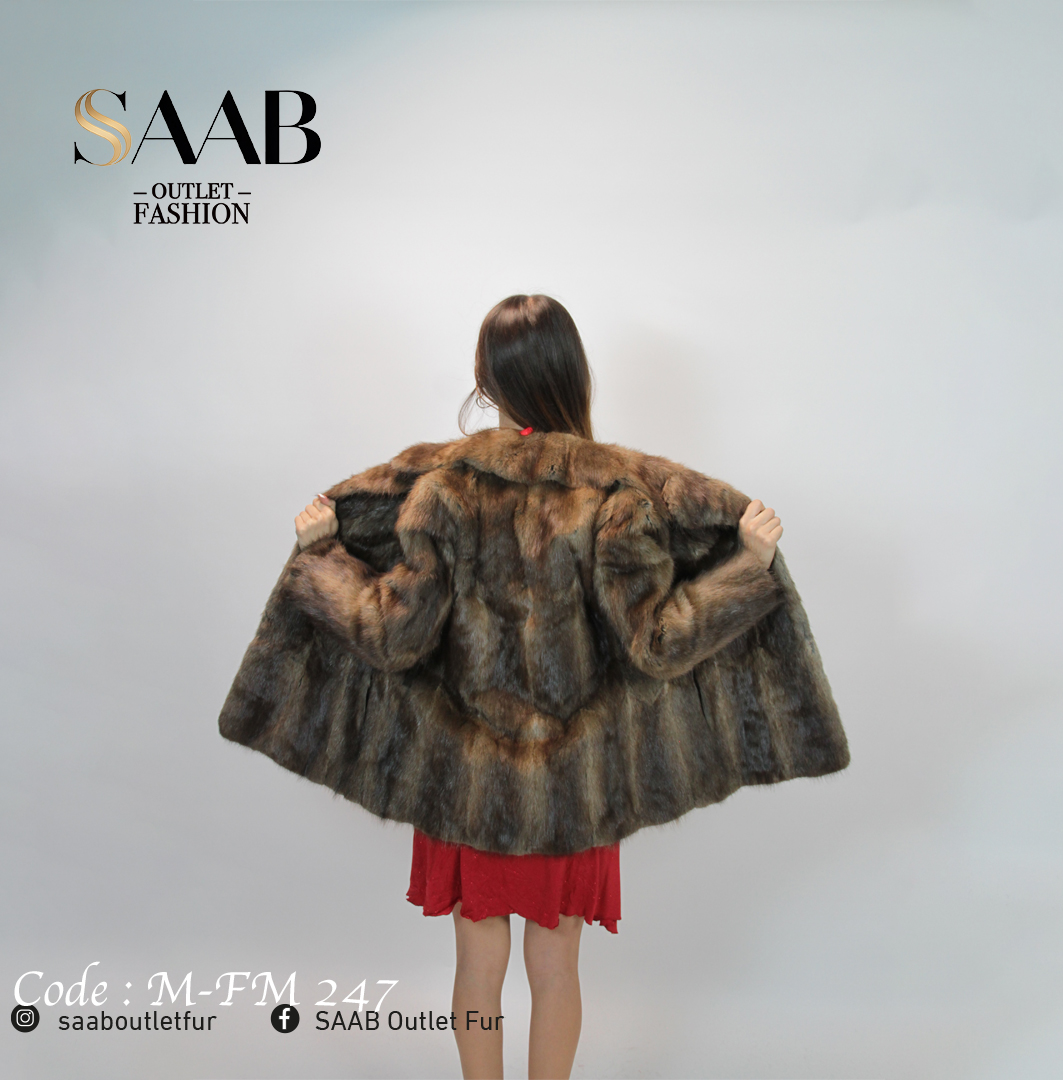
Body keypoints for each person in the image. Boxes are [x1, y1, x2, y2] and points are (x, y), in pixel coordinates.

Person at [288, 295, 786, 1080]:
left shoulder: (446, 489)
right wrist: (746, 569)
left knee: (477, 965)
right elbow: (657, 640)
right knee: (557, 970)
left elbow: (395, 633)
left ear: (485, 379)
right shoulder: (614, 494)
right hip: (572, 786)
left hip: (467, 780)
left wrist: (324, 559)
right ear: (572, 372)